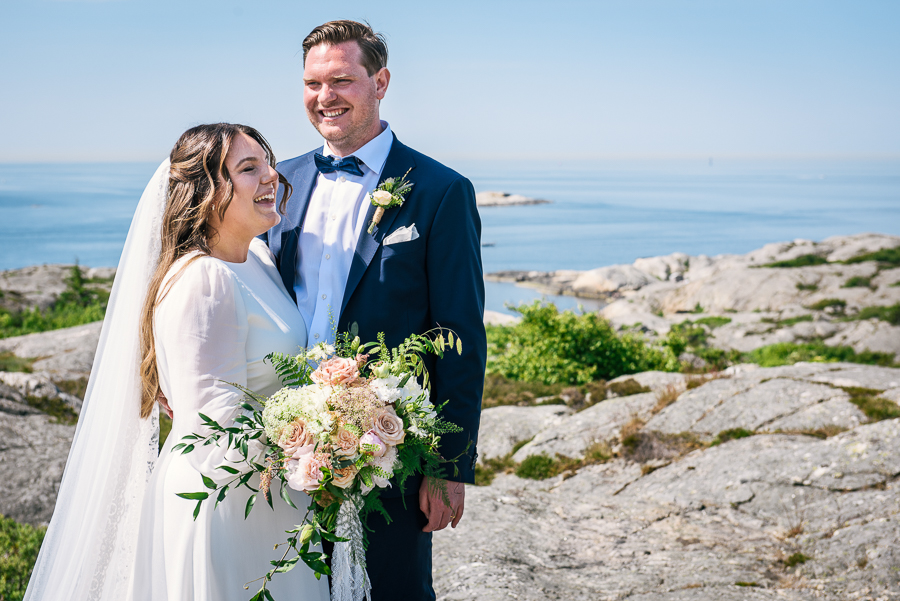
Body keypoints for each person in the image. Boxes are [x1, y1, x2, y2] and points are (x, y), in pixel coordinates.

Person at [25, 124, 329, 601]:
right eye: (248, 168)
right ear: (206, 193)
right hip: (224, 499)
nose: (272, 175)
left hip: (271, 491)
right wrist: (328, 449)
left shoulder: (257, 261)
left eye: (267, 162)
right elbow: (214, 423)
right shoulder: (203, 278)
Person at [262, 20, 487, 601]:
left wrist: (449, 463)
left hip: (391, 445)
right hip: (283, 441)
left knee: (394, 590)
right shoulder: (276, 184)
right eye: (313, 83)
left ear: (380, 81)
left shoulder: (440, 190)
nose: (325, 97)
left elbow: (460, 334)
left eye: (342, 79)